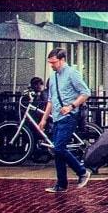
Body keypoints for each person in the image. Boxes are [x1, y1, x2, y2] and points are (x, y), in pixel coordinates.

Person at [38, 48, 92, 192]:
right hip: (56, 117)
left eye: (54, 62)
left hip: (69, 116)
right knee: (57, 150)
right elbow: (50, 100)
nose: (52, 65)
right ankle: (61, 184)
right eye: (50, 63)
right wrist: (44, 119)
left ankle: (82, 172)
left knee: (59, 147)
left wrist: (71, 106)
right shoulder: (53, 77)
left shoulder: (72, 73)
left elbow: (86, 92)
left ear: (62, 60)